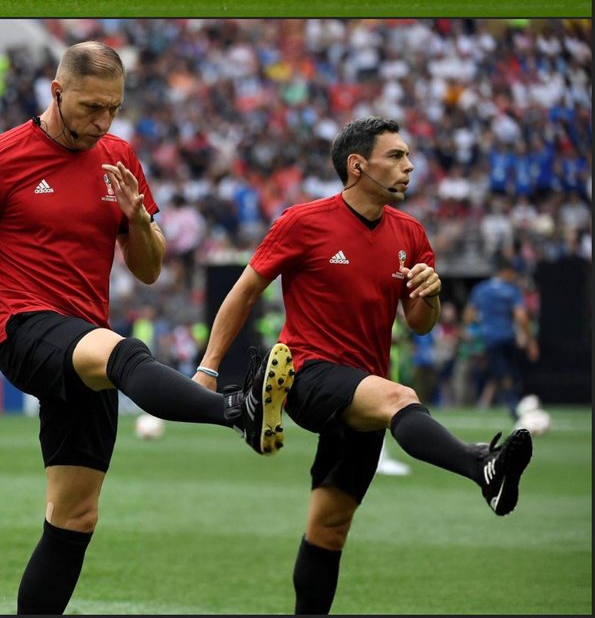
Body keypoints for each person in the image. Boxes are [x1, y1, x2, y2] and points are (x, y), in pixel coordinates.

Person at [0, 40, 295, 616]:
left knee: (74, 516)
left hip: (85, 340)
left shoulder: (118, 157)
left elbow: (148, 270)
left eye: (113, 108)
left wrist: (138, 218)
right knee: (126, 353)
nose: (102, 121)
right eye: (91, 106)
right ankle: (237, 411)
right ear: (57, 91)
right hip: (23, 329)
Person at [193, 116, 535, 616]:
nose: (409, 167)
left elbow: (419, 323)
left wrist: (430, 293)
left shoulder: (411, 233)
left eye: (408, 156)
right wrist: (206, 369)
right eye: (396, 156)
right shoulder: (303, 221)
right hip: (307, 374)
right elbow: (243, 294)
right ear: (358, 166)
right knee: (401, 397)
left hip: (364, 386)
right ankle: (481, 465)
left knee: (329, 530)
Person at [463, 252, 539, 417]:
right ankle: (515, 406)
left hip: (490, 338)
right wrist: (531, 341)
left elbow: (468, 317)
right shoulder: (513, 290)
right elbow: (521, 317)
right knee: (512, 372)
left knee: (501, 372)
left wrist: (482, 324)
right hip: (508, 336)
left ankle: (513, 404)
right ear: (506, 271)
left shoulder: (481, 289)